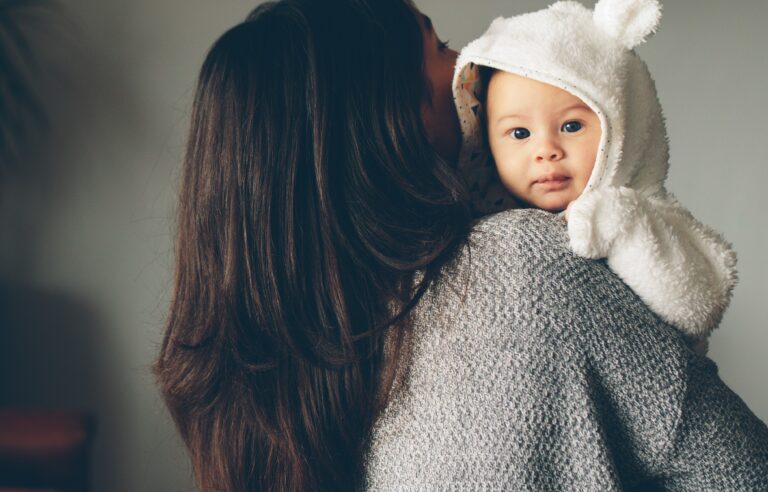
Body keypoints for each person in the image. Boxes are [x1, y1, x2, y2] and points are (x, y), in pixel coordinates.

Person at [153, 0, 768, 490]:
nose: (470, 64)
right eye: (441, 46)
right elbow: (743, 471)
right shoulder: (521, 266)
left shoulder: (251, 385)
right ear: (396, 115)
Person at [452, 0, 737, 356]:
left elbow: (699, 305)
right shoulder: (486, 234)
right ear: (485, 142)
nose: (546, 150)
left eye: (571, 126)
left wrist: (625, 226)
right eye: (520, 134)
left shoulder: (649, 213)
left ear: (623, 124)